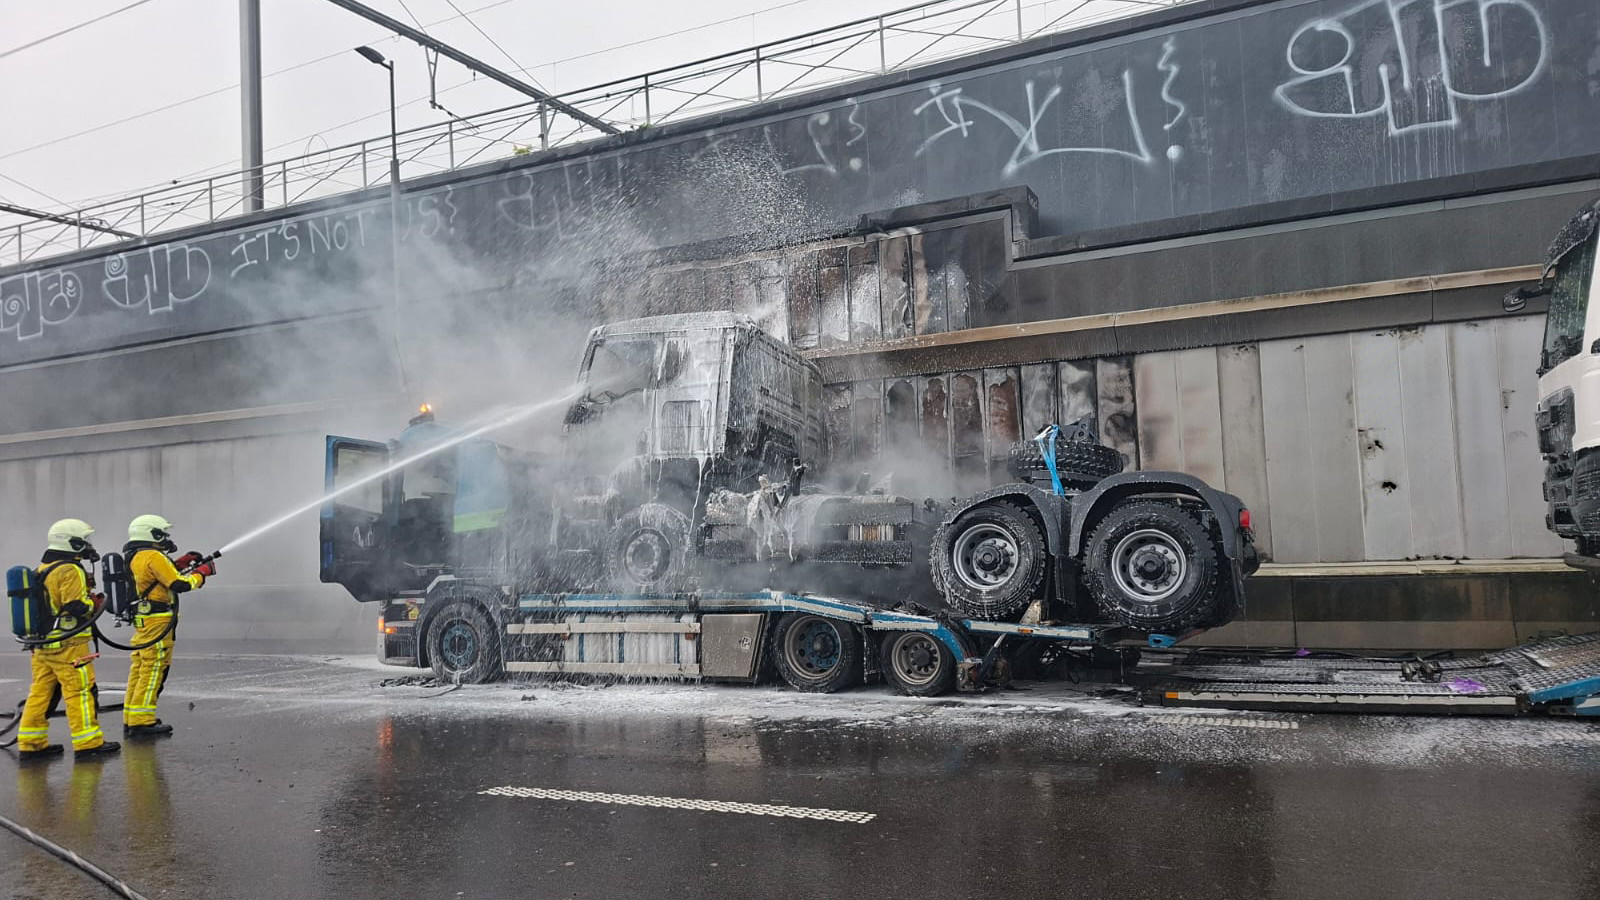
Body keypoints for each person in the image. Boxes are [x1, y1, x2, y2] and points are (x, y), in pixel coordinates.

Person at [16, 518, 120, 761]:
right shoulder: (70, 569)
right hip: (69, 645)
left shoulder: (43, 568)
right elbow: (75, 606)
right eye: (84, 540)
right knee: (80, 691)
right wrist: (93, 603)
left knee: (40, 693)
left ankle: (31, 744)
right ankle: (88, 743)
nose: (88, 544)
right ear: (72, 542)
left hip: (44, 645)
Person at [122, 514, 215, 738]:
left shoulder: (136, 555)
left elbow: (159, 577)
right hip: (157, 620)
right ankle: (142, 722)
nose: (166, 538)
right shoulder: (154, 556)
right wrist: (201, 574)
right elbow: (179, 584)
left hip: (144, 619)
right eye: (162, 533)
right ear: (152, 534)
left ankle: (132, 717)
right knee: (154, 669)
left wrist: (180, 563)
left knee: (140, 668)